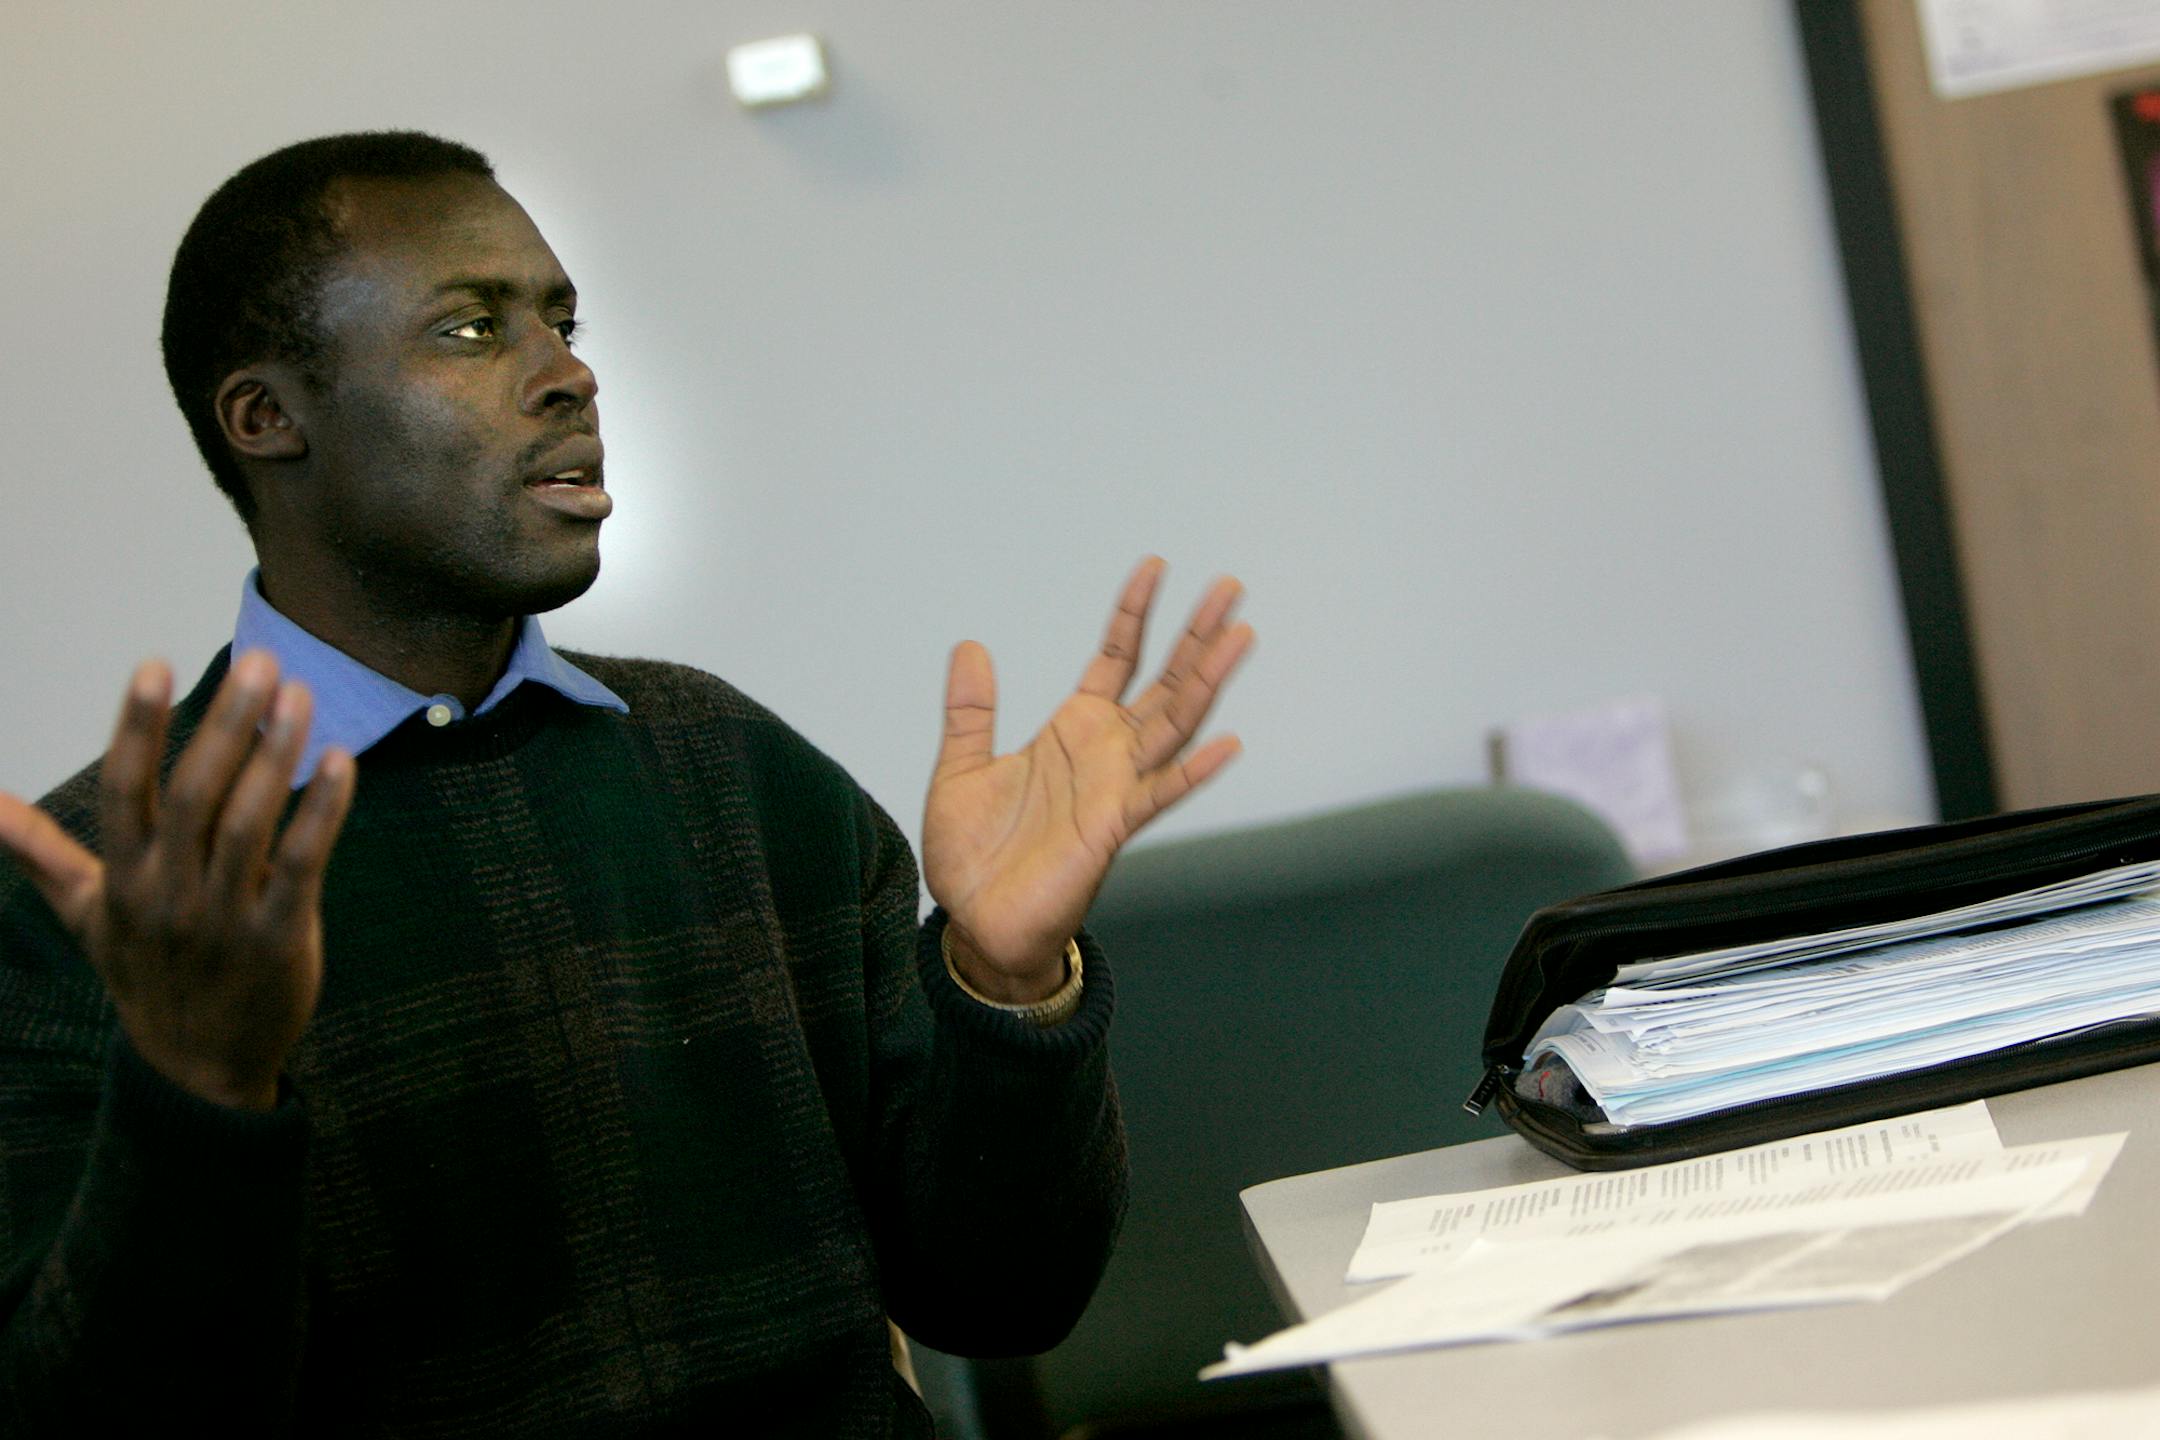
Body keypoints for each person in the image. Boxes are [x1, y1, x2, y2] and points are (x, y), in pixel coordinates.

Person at [0, 131, 1253, 1436]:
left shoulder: (729, 767)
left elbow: (1002, 1300)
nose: (570, 375)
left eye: (562, 320)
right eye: (474, 330)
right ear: (268, 418)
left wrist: (1006, 990)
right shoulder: (87, 899)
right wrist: (199, 1089)